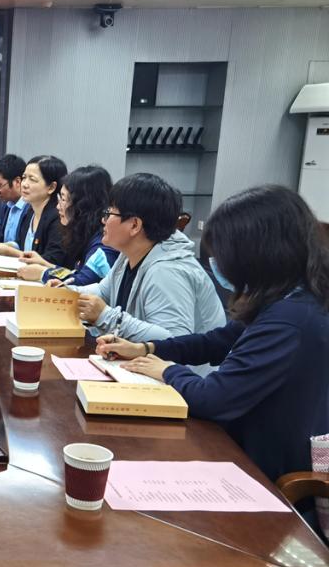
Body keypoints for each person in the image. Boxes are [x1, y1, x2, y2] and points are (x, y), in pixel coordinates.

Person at [95, 185, 329, 485]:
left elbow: (214, 398)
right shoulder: (283, 298)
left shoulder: (289, 320)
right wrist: (147, 348)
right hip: (240, 446)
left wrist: (167, 370)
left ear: (256, 255)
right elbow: (215, 342)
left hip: (261, 471)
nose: (218, 264)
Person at [70, 172, 225, 344]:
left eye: (110, 213)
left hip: (189, 362)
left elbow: (175, 340)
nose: (103, 220)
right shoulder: (129, 255)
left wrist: (106, 316)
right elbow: (102, 292)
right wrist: (62, 293)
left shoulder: (167, 271)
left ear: (134, 225)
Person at [16, 165, 118, 286]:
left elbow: (82, 282)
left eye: (63, 200)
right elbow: (75, 273)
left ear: (83, 205)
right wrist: (45, 264)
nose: (58, 206)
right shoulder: (86, 234)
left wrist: (43, 273)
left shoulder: (103, 245)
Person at [0, 155, 68, 264]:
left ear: (51, 187)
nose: (24, 184)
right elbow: (21, 246)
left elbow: (52, 262)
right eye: (24, 177)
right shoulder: (30, 212)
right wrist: (1, 246)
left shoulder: (58, 217)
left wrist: (10, 252)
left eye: (32, 179)